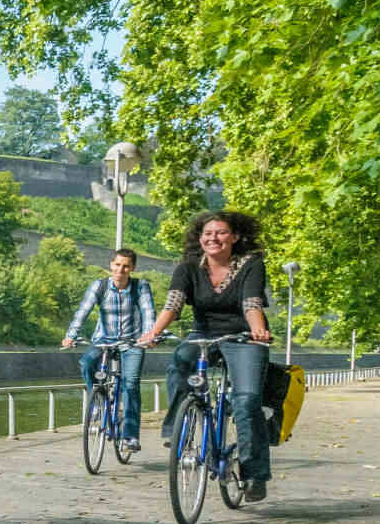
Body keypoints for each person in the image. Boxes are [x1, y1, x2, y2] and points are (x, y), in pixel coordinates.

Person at [138, 211, 273, 500]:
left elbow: (251, 303)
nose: (213, 238)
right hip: (203, 334)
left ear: (235, 237)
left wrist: (258, 331)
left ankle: (255, 474)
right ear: (200, 239)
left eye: (221, 232)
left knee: (247, 400)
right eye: (207, 233)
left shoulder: (251, 265)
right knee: (180, 362)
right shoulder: (188, 267)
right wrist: (153, 333)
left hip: (244, 336)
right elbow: (173, 305)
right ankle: (179, 429)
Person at [61, 248, 157, 451]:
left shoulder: (140, 286)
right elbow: (83, 310)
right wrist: (71, 334)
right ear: (111, 264)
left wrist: (149, 335)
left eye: (126, 266)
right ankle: (97, 402)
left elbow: (148, 312)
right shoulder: (99, 286)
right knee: (87, 362)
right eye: (117, 264)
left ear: (132, 268)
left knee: (130, 385)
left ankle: (130, 436)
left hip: (133, 342)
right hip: (103, 340)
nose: (120, 270)